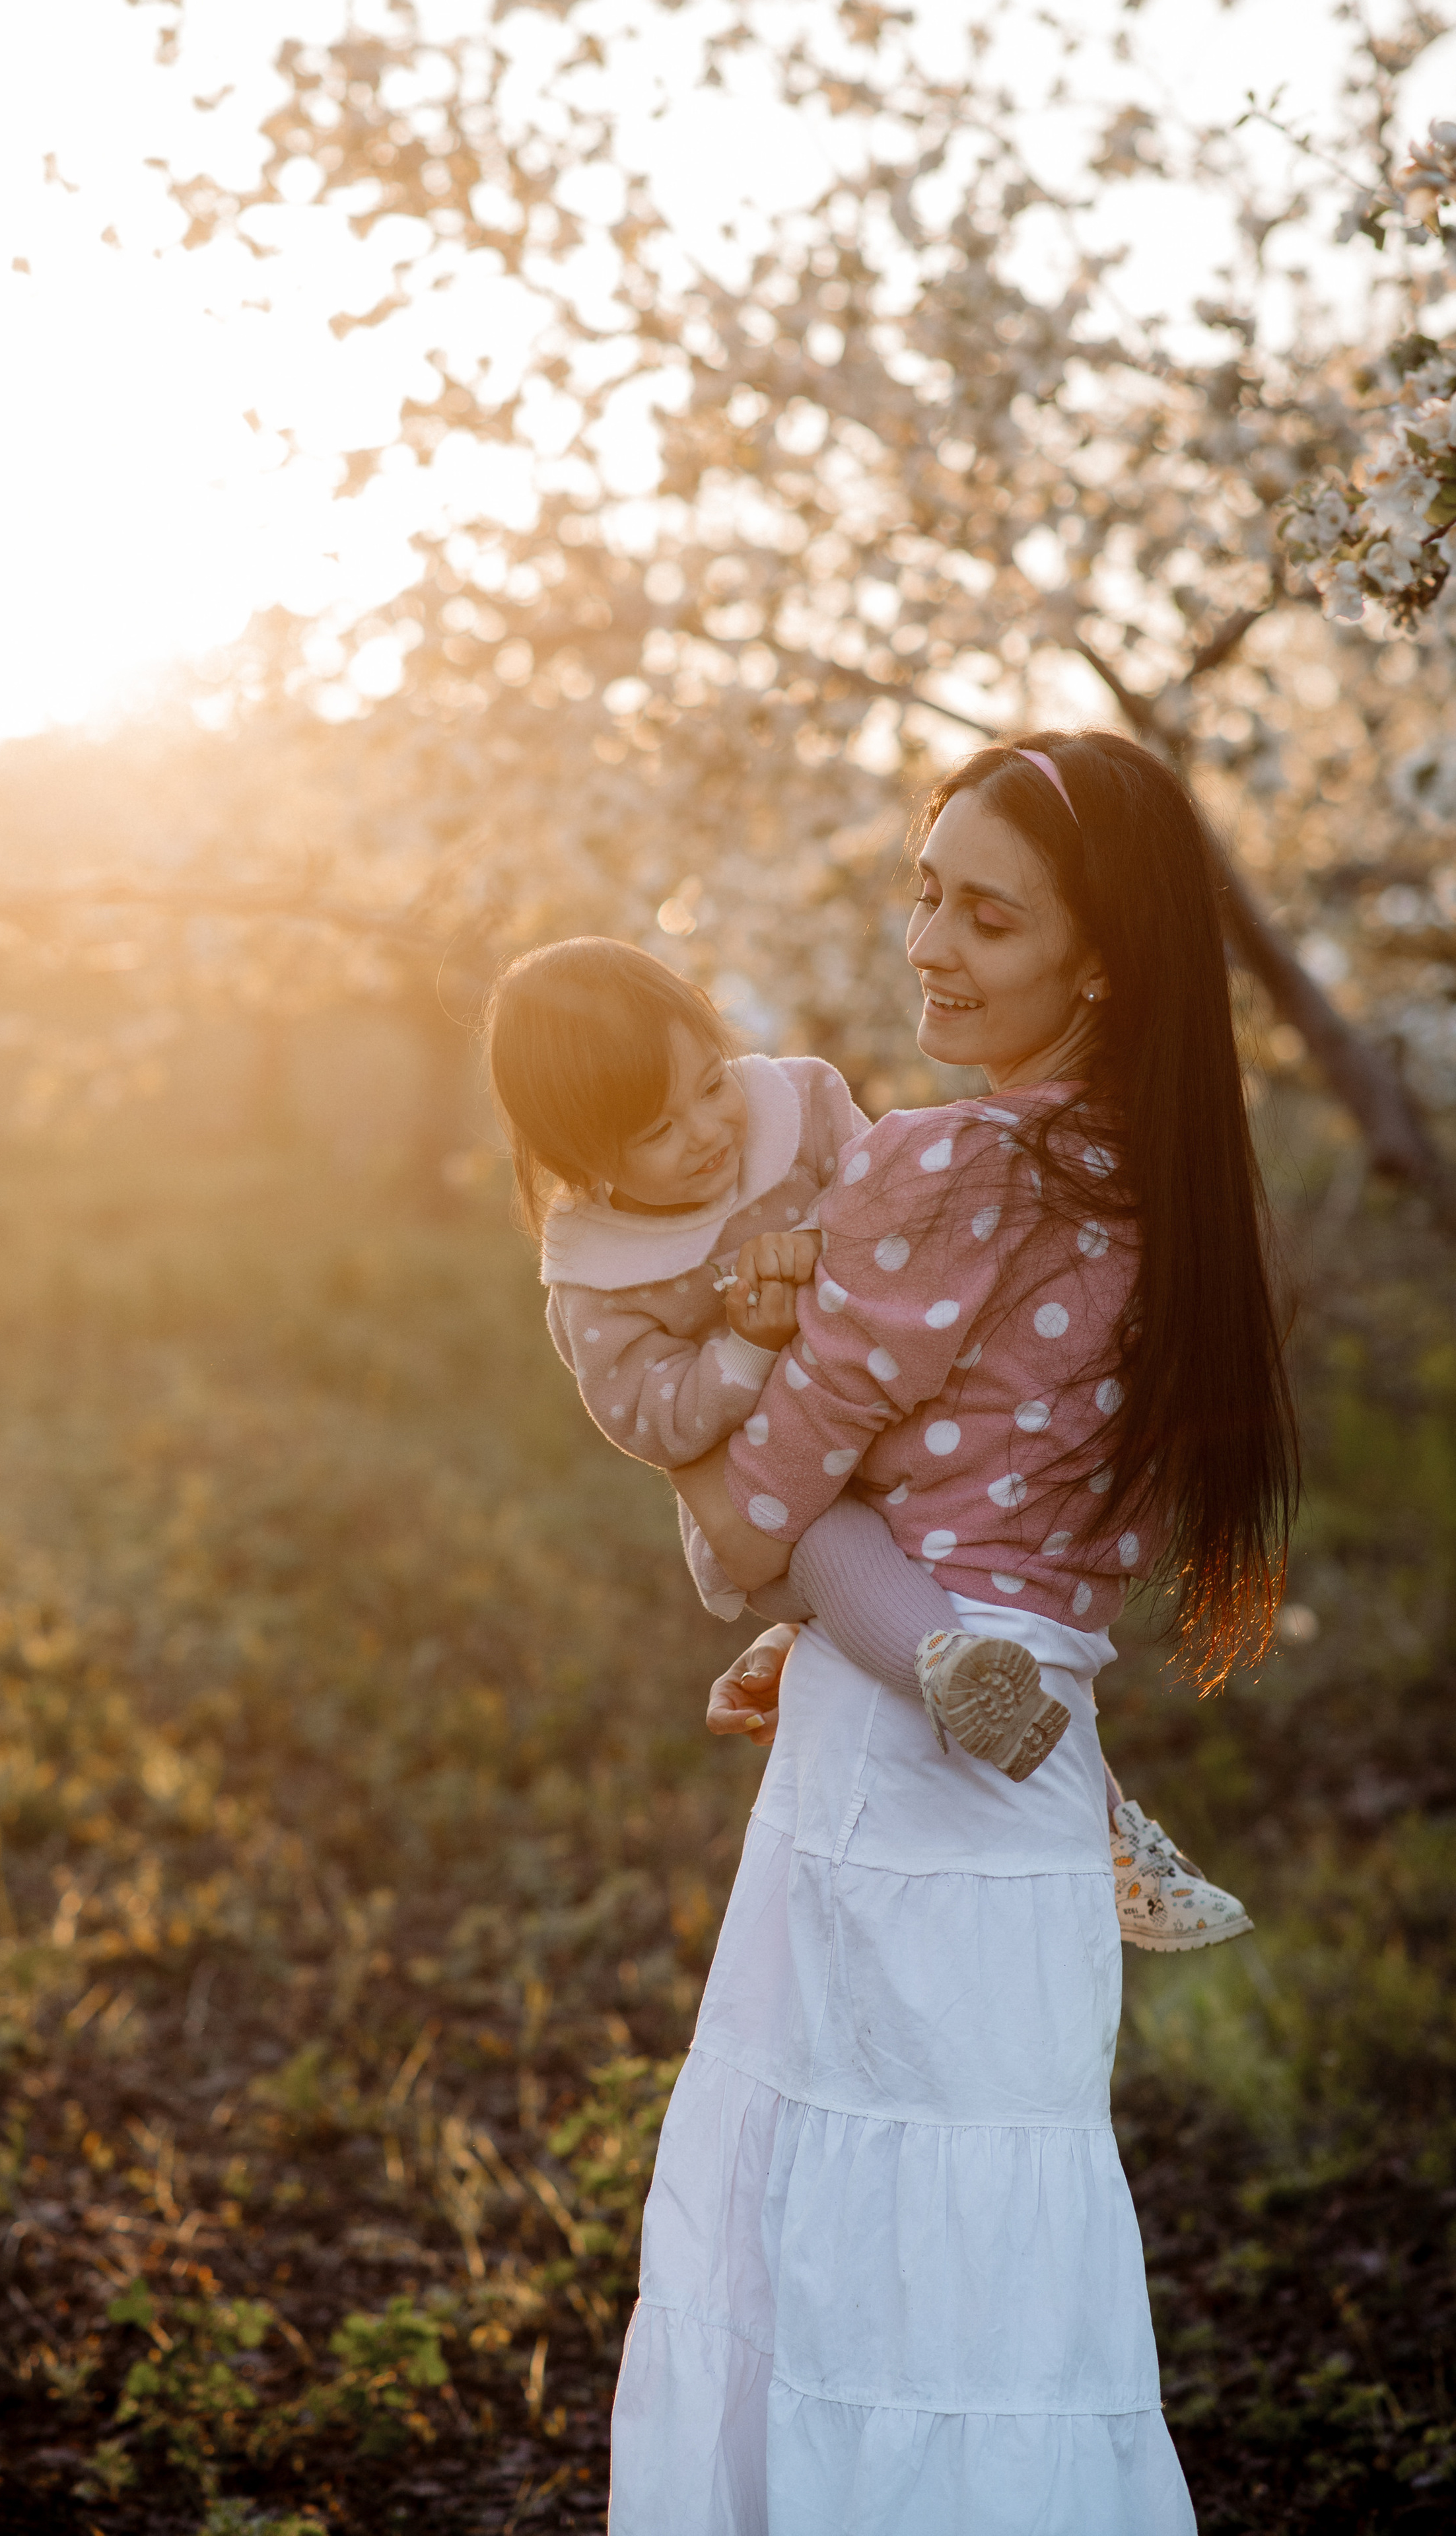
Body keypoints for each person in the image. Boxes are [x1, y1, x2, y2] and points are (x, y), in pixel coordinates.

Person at [607, 730, 1298, 2533]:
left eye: (987, 918)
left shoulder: (945, 1166)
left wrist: (673, 1368)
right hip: (1039, 1772)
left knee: (834, 2255)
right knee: (1002, 2280)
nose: (927, 944)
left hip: (896, 1767)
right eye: (923, 893)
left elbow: (743, 1528)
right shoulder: (1170, 1184)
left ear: (1102, 963)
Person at [485, 931, 1251, 1929]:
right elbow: (650, 1418)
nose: (709, 1131)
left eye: (710, 1083)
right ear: (583, 1160)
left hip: (886, 1435)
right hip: (771, 1495)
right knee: (854, 1562)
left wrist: (814, 1250)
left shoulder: (795, 1110)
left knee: (953, 1608)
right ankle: (942, 1669)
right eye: (659, 1131)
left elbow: (889, 1211)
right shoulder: (599, 1277)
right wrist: (747, 1348)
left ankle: (1112, 1840)